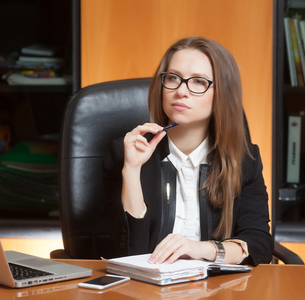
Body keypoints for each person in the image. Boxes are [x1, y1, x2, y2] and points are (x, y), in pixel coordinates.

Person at [103, 37, 273, 266]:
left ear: (223, 92)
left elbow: (258, 245)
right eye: (173, 78)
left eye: (199, 82)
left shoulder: (244, 160)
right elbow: (122, 252)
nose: (181, 91)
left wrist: (201, 249)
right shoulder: (125, 153)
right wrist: (132, 170)